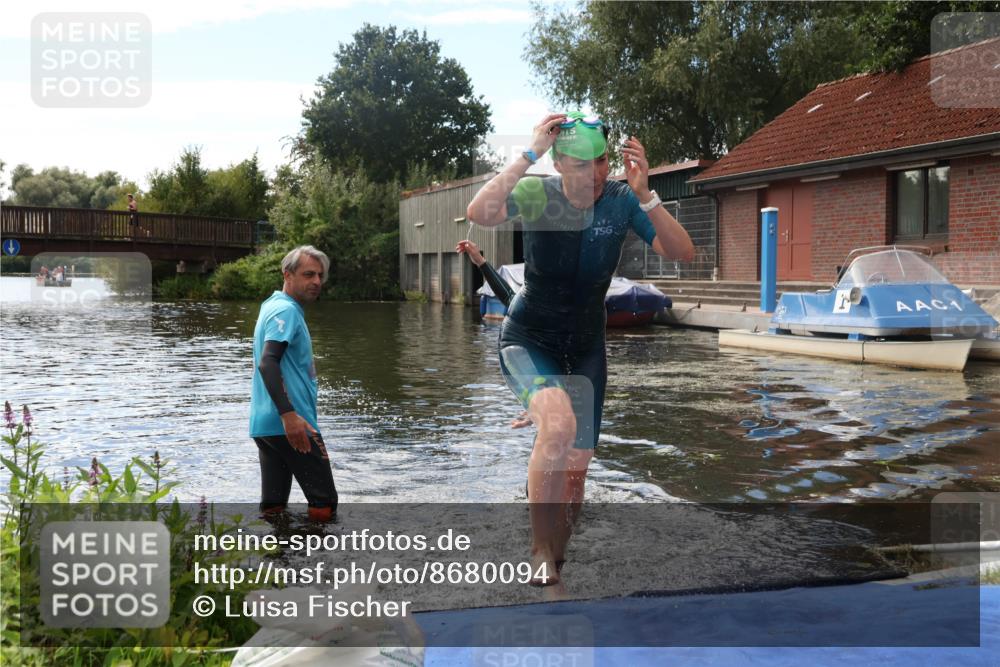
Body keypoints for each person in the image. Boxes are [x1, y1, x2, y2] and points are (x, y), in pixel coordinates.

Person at [466, 112, 694, 586]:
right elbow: (479, 213)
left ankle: (558, 559)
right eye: (580, 164)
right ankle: (539, 550)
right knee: (558, 425)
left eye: (602, 161)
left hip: (587, 345)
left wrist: (647, 194)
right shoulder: (538, 193)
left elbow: (682, 252)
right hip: (529, 337)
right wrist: (530, 152)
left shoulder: (622, 200)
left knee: (576, 470)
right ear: (558, 164)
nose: (594, 174)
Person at [249, 245, 337, 522]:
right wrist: (289, 416)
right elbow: (268, 362)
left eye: (320, 275)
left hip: (265, 425)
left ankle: (277, 548)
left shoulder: (272, 305)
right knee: (325, 503)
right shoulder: (286, 311)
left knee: (274, 505)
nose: (316, 281)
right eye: (308, 274)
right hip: (293, 424)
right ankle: (320, 550)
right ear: (287, 275)